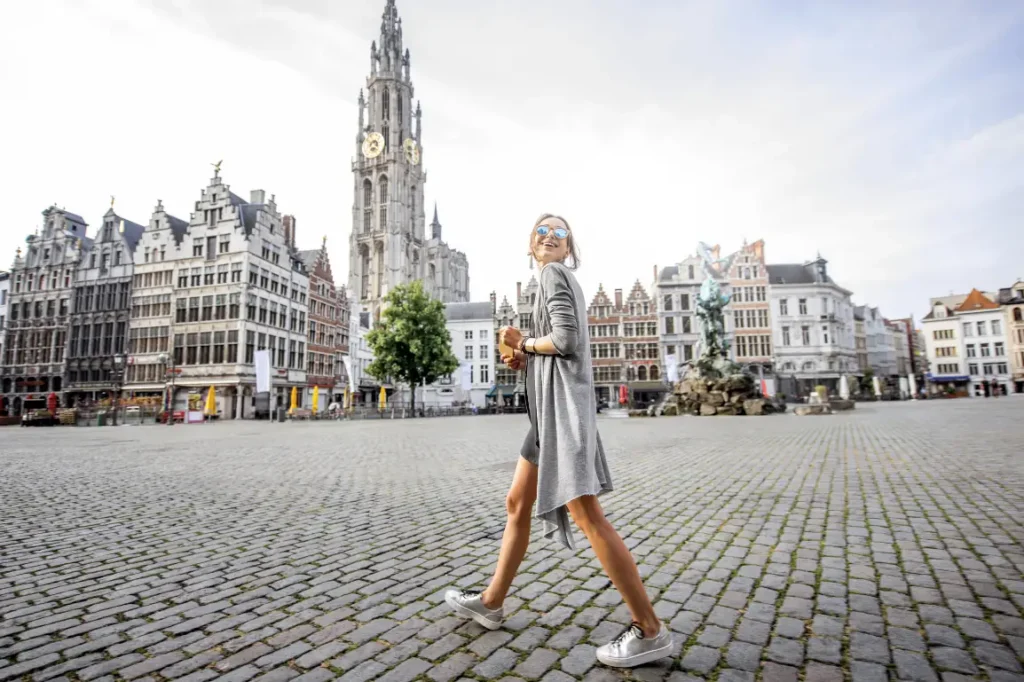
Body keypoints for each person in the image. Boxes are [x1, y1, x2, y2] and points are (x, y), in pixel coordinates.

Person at [444, 214, 673, 668]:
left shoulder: (552, 274)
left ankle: (649, 629)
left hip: (561, 416)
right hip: (546, 416)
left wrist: (525, 343)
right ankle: (491, 601)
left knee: (588, 514)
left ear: (568, 248)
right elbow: (560, 348)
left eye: (559, 233)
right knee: (516, 503)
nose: (549, 237)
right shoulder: (554, 278)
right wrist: (526, 359)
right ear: (531, 243)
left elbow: (566, 341)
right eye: (542, 232)